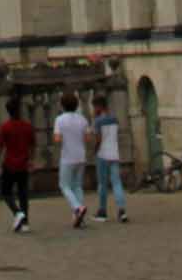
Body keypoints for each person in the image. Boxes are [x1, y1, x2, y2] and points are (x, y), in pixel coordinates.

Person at [0, 92, 34, 233]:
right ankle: (25, 222)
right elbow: (32, 145)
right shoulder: (27, 126)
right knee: (23, 193)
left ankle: (17, 212)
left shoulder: (5, 127)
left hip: (10, 163)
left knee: (6, 192)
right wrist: (31, 159)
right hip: (23, 163)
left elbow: (0, 146)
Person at [53, 89, 90, 229]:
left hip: (67, 156)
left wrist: (63, 137)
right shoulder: (82, 119)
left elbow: (57, 139)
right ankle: (79, 217)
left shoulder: (59, 119)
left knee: (64, 185)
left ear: (62, 105)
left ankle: (77, 208)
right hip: (81, 155)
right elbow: (87, 138)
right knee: (77, 186)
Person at [90, 91, 128, 224]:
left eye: (94, 107)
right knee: (117, 182)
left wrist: (94, 150)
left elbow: (98, 138)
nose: (93, 110)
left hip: (102, 154)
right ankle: (122, 210)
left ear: (99, 107)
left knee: (102, 184)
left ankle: (102, 211)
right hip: (114, 153)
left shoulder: (98, 121)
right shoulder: (115, 118)